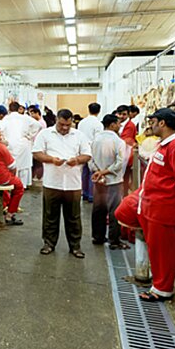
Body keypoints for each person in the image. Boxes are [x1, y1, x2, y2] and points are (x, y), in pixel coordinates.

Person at [114, 108, 175, 302]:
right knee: (125, 215)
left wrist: (167, 197)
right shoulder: (164, 145)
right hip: (151, 206)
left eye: (153, 121)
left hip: (164, 208)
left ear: (162, 123)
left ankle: (162, 289)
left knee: (163, 251)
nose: (150, 125)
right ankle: (159, 284)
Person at [31, 109, 92, 258]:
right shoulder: (45, 134)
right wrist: (51, 160)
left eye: (68, 125)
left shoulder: (79, 135)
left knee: (74, 217)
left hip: (73, 184)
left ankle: (75, 246)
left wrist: (76, 160)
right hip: (52, 182)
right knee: (50, 216)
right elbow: (37, 152)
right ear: (56, 120)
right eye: (62, 124)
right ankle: (49, 243)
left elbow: (87, 154)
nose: (65, 128)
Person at [88, 114, 127, 249]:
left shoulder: (95, 140)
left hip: (99, 181)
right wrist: (105, 172)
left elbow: (90, 159)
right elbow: (120, 162)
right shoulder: (118, 142)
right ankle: (114, 240)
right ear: (112, 125)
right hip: (114, 180)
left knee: (98, 209)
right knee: (114, 211)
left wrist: (98, 171)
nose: (120, 125)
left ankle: (97, 237)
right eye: (118, 123)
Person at [1, 101, 41, 187]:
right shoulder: (25, 118)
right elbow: (38, 125)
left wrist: (3, 138)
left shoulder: (6, 119)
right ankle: (23, 185)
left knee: (12, 165)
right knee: (23, 166)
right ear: (19, 108)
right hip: (24, 143)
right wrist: (29, 135)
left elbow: (0, 129)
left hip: (10, 144)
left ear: (9, 109)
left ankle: (12, 183)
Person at [76, 102, 103, 203]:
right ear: (99, 111)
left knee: (84, 172)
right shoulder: (98, 124)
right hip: (92, 149)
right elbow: (98, 139)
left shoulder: (82, 122)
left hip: (82, 149)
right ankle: (92, 195)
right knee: (93, 172)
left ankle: (85, 193)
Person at [28, 105, 47, 182]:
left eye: (33, 114)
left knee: (38, 162)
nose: (31, 116)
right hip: (34, 143)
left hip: (38, 144)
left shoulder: (41, 123)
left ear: (37, 113)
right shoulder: (37, 122)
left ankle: (39, 176)